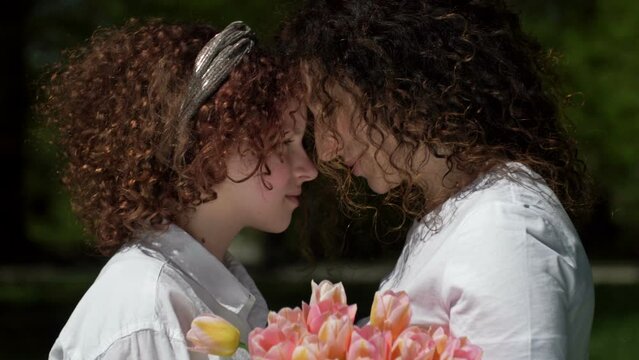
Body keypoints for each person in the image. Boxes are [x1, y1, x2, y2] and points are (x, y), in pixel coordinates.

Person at [280, 0, 594, 358]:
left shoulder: (503, 229)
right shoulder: (464, 212)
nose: (325, 149)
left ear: (398, 82)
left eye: (331, 109)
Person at [39, 18, 317, 359]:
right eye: (282, 142)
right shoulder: (152, 312)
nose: (308, 169)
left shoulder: (202, 287)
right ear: (211, 144)